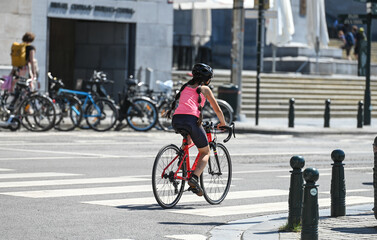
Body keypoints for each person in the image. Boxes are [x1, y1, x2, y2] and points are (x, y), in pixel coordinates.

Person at [166, 63, 226, 196]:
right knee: (205, 152)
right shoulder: (205, 89)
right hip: (191, 120)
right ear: (207, 79)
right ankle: (194, 178)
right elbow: (218, 109)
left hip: (176, 119)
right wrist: (223, 123)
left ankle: (181, 158)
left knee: (188, 139)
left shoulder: (184, 87)